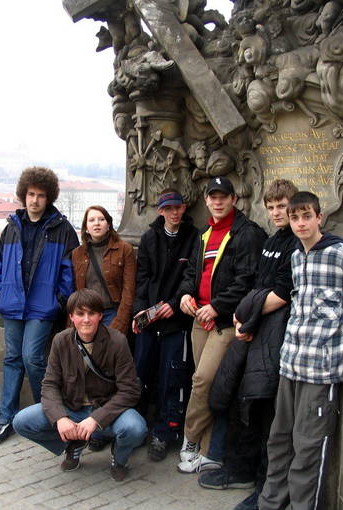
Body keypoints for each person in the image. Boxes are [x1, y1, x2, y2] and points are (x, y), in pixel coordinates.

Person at [255, 191, 343, 510]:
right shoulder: (295, 257)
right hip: (290, 366)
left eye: (307, 216)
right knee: (279, 443)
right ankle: (271, 504)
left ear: (319, 218)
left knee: (308, 450)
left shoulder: (340, 255)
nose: (301, 223)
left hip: (320, 372)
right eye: (295, 217)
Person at [199, 179, 298, 508]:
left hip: (276, 338)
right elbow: (258, 284)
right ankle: (241, 469)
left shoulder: (296, 246)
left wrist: (245, 315)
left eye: (282, 206)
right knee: (244, 404)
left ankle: (265, 488)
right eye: (271, 207)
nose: (276, 212)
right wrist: (246, 318)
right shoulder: (272, 240)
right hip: (255, 332)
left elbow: (282, 294)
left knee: (268, 413)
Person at [177, 176, 267, 473]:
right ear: (206, 201)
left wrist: (217, 307)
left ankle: (189, 440)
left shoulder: (247, 234)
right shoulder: (204, 235)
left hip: (225, 322)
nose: (218, 201)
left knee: (203, 381)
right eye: (213, 196)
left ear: (234, 200)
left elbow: (247, 281)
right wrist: (185, 295)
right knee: (204, 383)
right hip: (198, 320)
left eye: (223, 196)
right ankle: (207, 451)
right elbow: (192, 272)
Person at [13, 288, 146, 482]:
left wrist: (96, 419)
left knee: (136, 428)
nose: (86, 319)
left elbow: (130, 390)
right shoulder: (61, 341)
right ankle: (73, 444)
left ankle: (119, 459)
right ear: (71, 317)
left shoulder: (117, 341)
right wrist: (60, 419)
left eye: (91, 313)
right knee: (21, 421)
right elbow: (49, 385)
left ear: (100, 316)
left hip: (105, 410)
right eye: (80, 314)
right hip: (72, 408)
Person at [0, 167, 79, 445]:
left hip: (42, 307)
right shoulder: (12, 227)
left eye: (40, 195)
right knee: (12, 360)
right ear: (23, 195)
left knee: (32, 358)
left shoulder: (61, 229)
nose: (35, 200)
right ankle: (5, 419)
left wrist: (58, 301)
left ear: (48, 197)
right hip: (13, 304)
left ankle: (49, 415)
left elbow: (69, 272)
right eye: (30, 194)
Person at [132, 189, 199, 461]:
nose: (174, 212)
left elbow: (191, 276)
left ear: (184, 209)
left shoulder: (193, 237)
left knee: (173, 379)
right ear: (160, 211)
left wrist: (172, 303)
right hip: (150, 320)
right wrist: (140, 313)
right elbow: (143, 278)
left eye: (178, 207)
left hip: (176, 321)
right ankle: (135, 428)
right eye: (168, 208)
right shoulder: (149, 238)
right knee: (140, 375)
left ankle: (165, 431)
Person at [71, 204, 137, 452]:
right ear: (86, 227)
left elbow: (129, 291)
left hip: (113, 312)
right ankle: (94, 424)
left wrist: (119, 326)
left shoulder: (124, 250)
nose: (96, 223)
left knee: (110, 370)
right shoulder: (78, 254)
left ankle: (108, 424)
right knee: (89, 371)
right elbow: (76, 291)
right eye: (91, 220)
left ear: (109, 223)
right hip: (87, 314)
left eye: (101, 219)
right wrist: (75, 321)